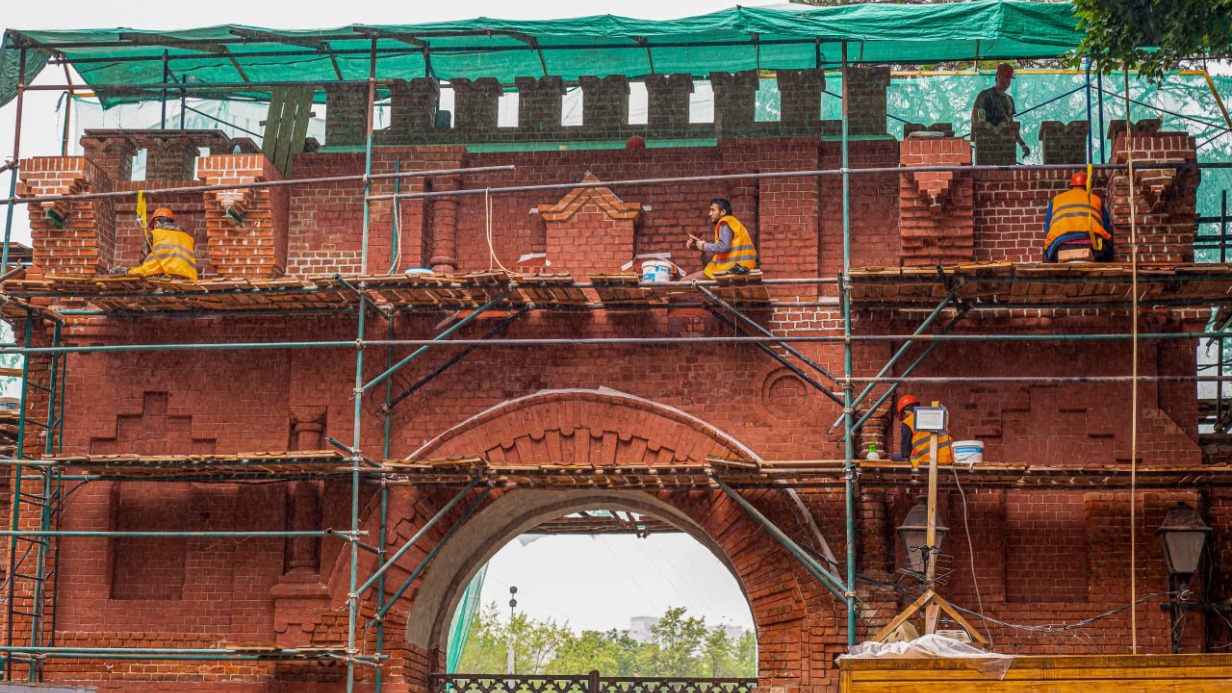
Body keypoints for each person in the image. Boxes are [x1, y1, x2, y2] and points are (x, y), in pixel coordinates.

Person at [1043, 172, 1114, 263]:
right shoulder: (1096, 199)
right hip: (1094, 246)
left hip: (1059, 245)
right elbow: (1107, 230)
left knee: (1046, 250)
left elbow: (1047, 231)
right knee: (1106, 247)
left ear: (1071, 186)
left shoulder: (1056, 200)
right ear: (1087, 186)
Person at [684, 198, 758, 279]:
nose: (709, 213)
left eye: (713, 210)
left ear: (723, 212)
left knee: (683, 282)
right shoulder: (733, 224)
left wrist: (703, 246)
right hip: (739, 269)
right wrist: (697, 246)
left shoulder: (725, 222)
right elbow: (720, 247)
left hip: (730, 270)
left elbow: (723, 247)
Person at [971, 63, 1030, 159]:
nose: (1007, 82)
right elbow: (974, 116)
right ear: (998, 77)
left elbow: (1011, 125)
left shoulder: (1009, 100)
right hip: (987, 146)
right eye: (1005, 78)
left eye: (1009, 79)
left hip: (1005, 147)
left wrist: (1022, 145)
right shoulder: (985, 95)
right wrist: (982, 135)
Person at [128, 207, 199, 281]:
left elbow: (143, 260)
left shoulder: (154, 234)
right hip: (187, 279)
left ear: (157, 223)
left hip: (161, 277)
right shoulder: (188, 238)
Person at [894, 395, 954, 469]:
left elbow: (905, 451)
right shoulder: (937, 417)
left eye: (904, 415)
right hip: (948, 461)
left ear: (905, 411)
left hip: (924, 461)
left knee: (894, 457)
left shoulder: (908, 421)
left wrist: (905, 459)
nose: (905, 418)